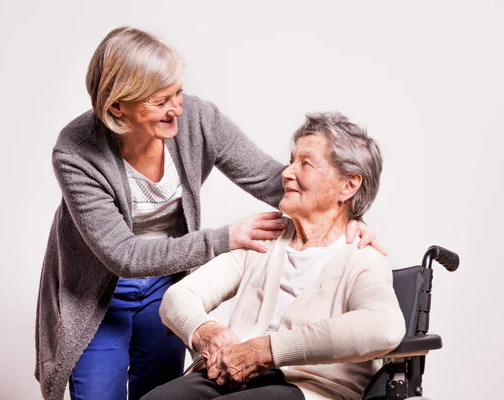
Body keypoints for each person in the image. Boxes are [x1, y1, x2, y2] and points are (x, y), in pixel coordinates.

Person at [35, 27, 382, 400]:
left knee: (158, 392)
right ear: (117, 106)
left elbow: (271, 179)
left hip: (165, 279)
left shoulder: (198, 120)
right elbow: (123, 255)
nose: (177, 109)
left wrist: (346, 216)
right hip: (98, 292)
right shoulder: (75, 152)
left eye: (177, 92)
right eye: (160, 99)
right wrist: (223, 239)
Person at [142, 112, 406, 400]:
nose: (287, 172)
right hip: (227, 378)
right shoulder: (265, 239)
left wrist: (266, 351)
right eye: (291, 160)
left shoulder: (362, 257)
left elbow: (385, 327)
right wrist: (208, 332)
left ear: (349, 185)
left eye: (305, 163)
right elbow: (178, 298)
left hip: (307, 387)